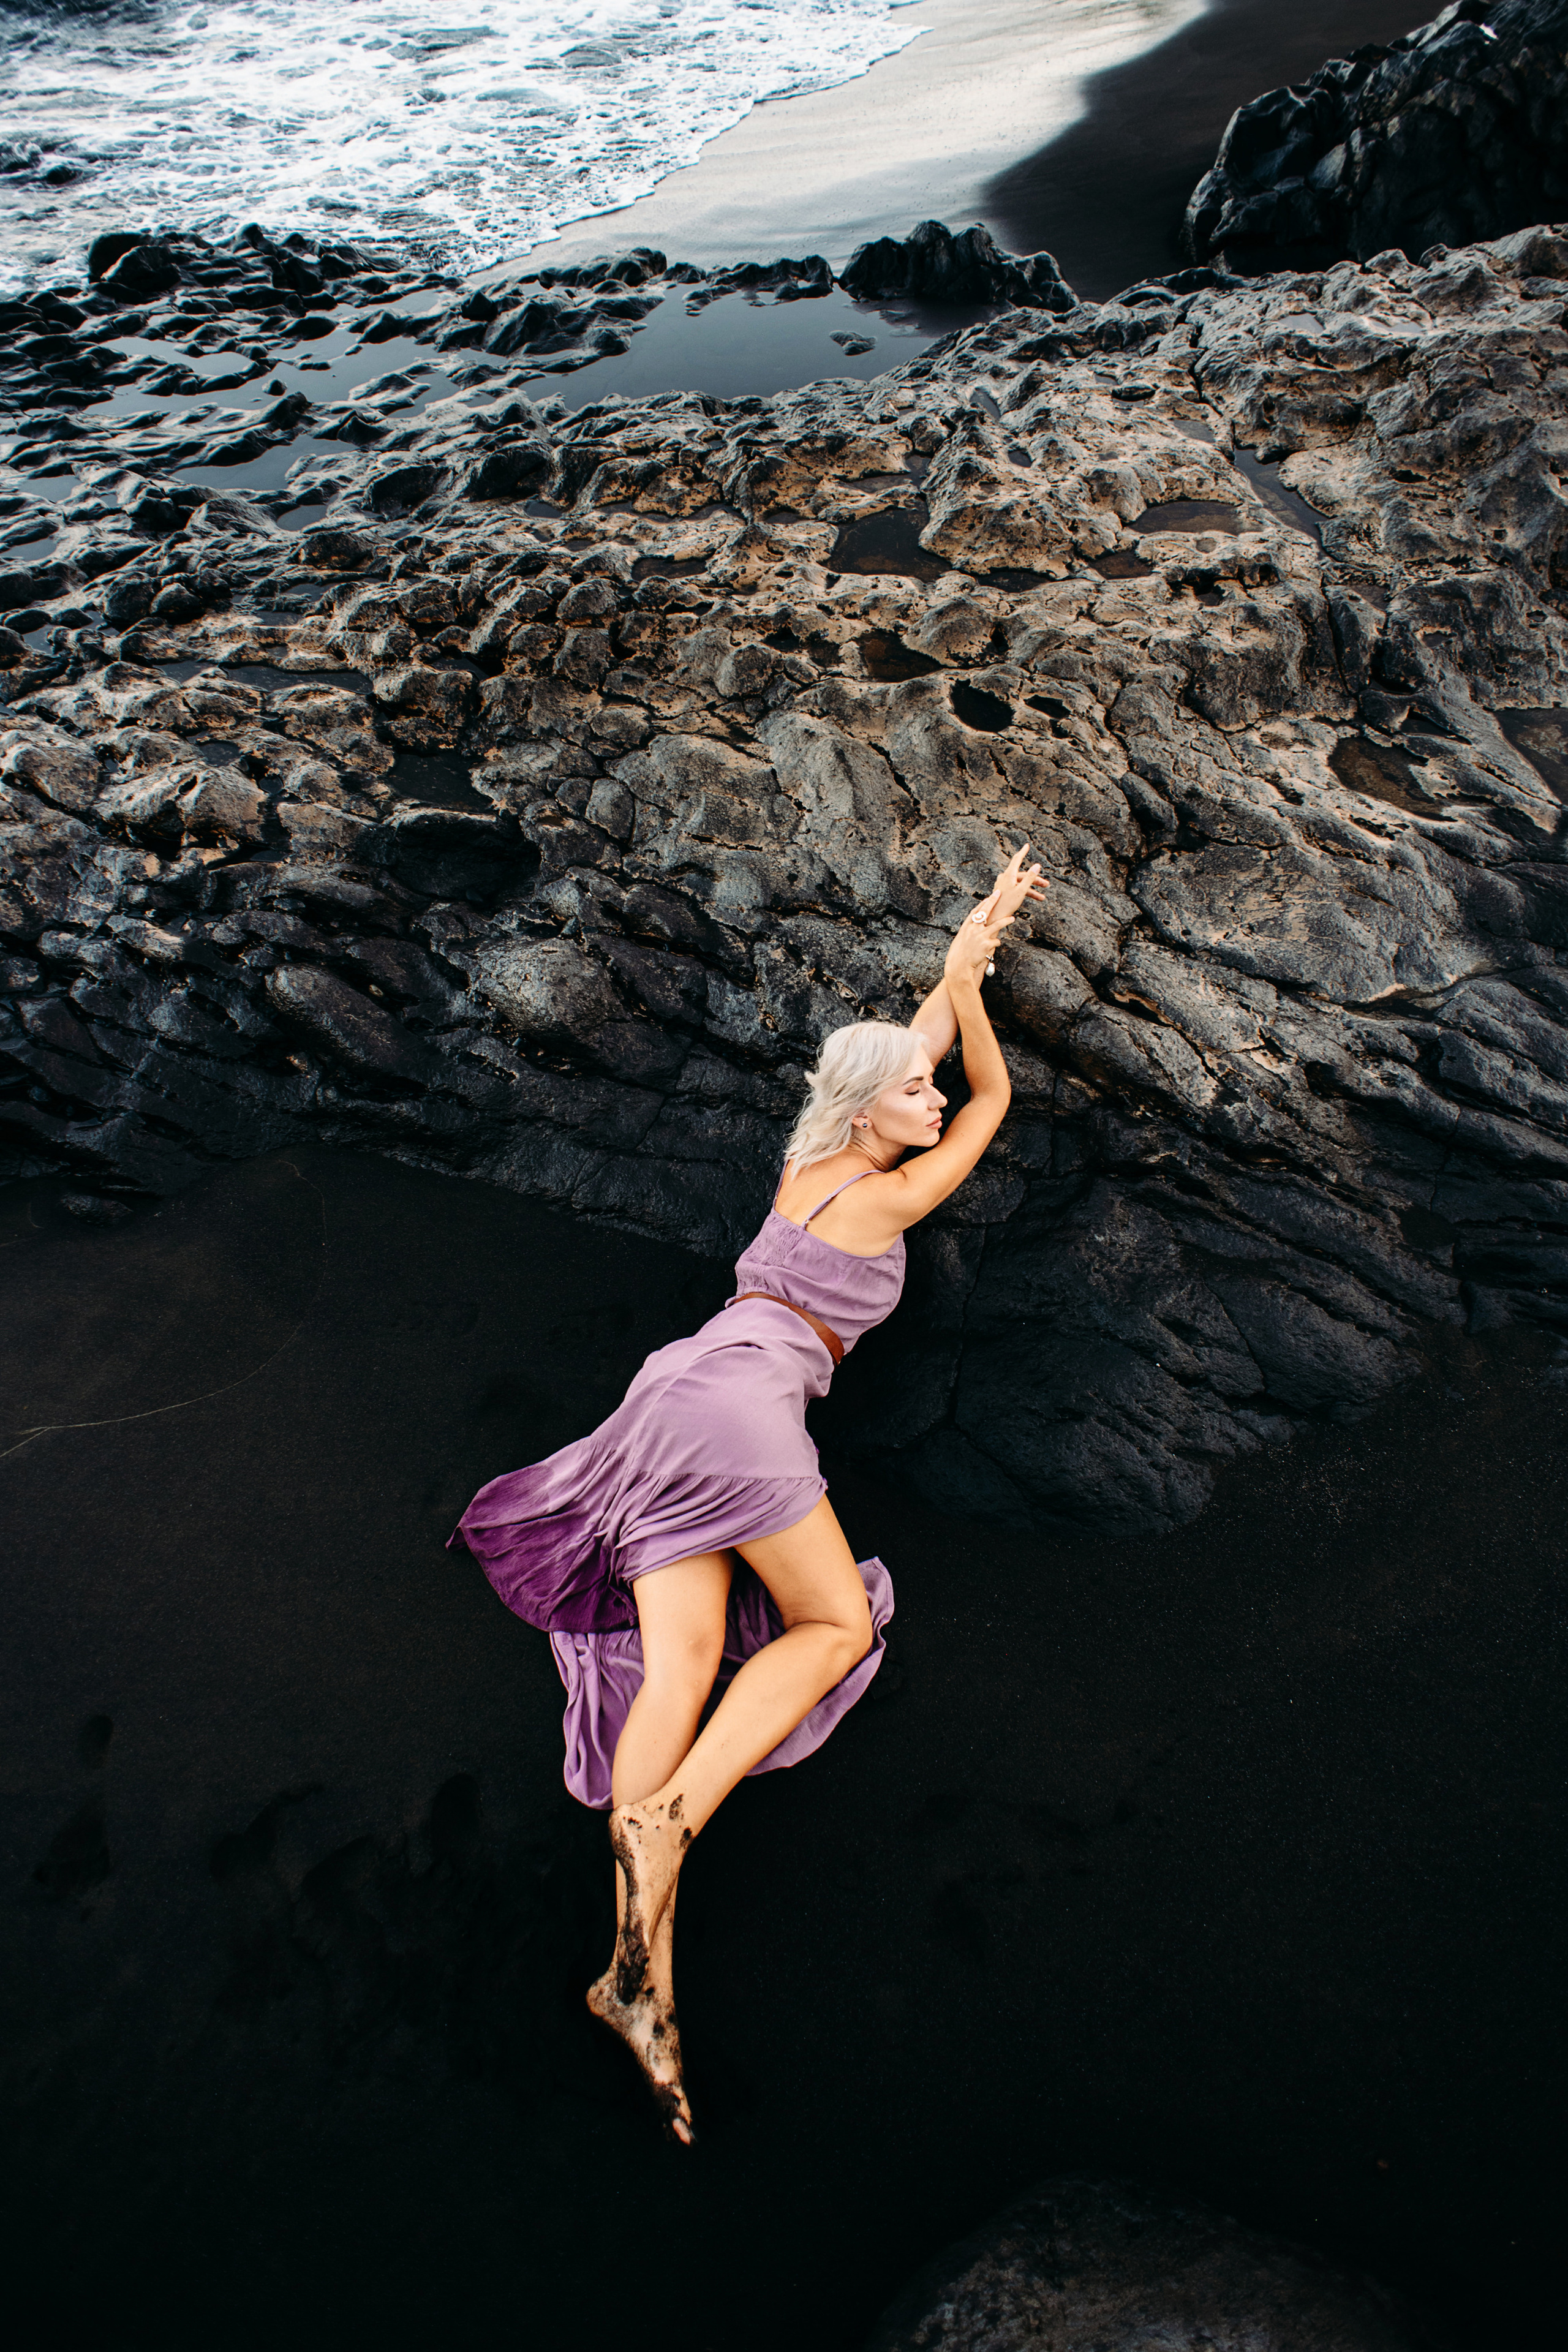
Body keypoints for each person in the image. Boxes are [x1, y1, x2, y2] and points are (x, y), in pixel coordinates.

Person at [451, 844, 1047, 2139]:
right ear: (873, 1112)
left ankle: (636, 1974)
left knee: (685, 1667)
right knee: (835, 1626)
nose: (935, 1101)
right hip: (738, 1416)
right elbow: (990, 1089)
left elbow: (914, 1048)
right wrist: (965, 988)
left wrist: (973, 937)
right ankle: (667, 1816)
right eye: (915, 1096)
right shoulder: (891, 1197)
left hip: (671, 1389)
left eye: (926, 1088)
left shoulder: (810, 1166)